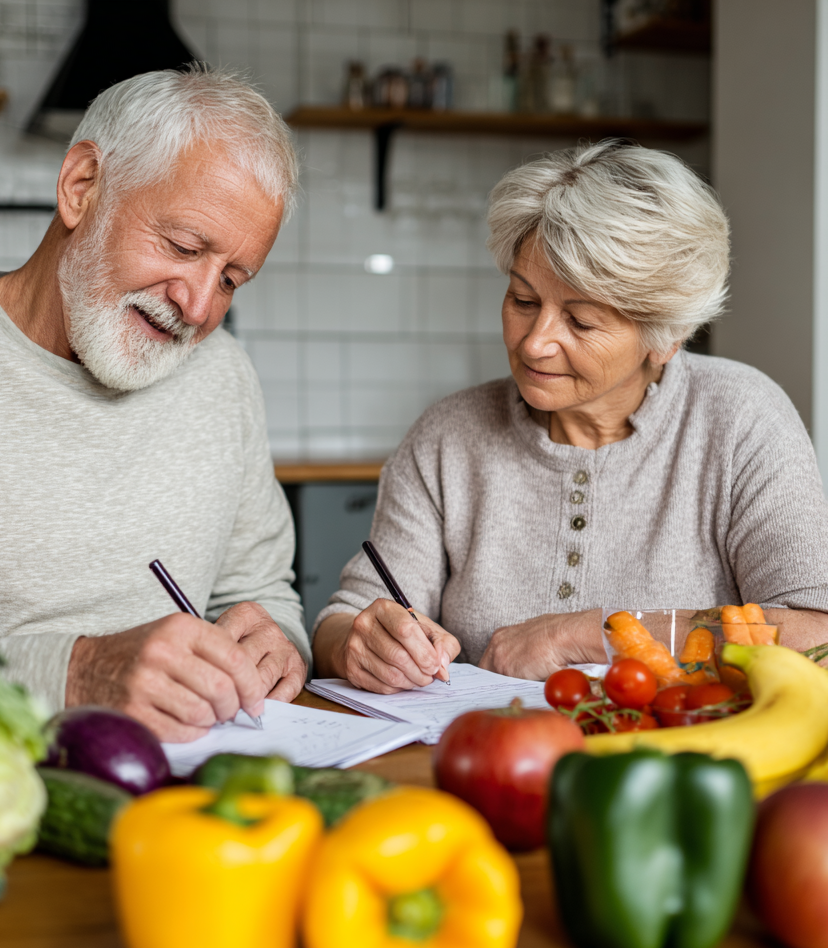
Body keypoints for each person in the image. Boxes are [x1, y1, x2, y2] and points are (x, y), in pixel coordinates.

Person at [0, 68, 308, 740]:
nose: (198, 306)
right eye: (185, 248)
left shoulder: (225, 376)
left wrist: (278, 645)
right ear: (81, 187)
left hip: (178, 799)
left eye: (232, 279)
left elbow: (265, 595)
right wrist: (72, 672)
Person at [312, 139, 828, 693]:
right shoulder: (448, 435)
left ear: (666, 336)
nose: (535, 344)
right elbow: (345, 619)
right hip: (488, 760)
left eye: (580, 321)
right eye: (523, 301)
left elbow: (815, 636)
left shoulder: (741, 419)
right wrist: (357, 642)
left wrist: (588, 634)